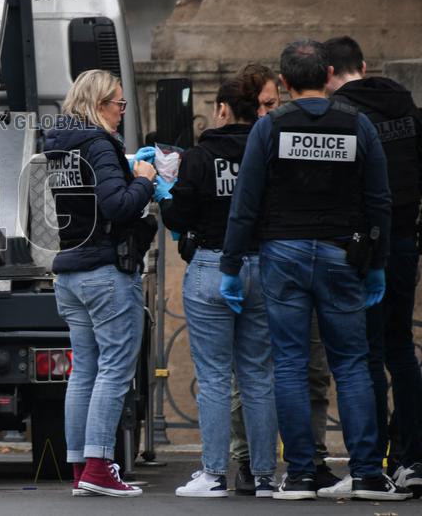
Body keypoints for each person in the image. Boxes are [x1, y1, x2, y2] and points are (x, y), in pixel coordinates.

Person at [221, 39, 409, 501]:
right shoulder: (358, 125)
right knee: (351, 363)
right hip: (340, 255)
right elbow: (378, 200)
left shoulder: (271, 129)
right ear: (328, 75)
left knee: (288, 363)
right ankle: (367, 473)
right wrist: (378, 264)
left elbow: (245, 203)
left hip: (282, 254)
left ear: (283, 83)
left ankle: (302, 474)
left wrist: (230, 264)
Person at [158, 70, 278, 498]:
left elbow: (177, 216)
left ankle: (213, 474)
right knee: (258, 376)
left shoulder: (199, 156)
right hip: (262, 265)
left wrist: (164, 190)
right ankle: (264, 476)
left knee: (212, 376)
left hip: (211, 264)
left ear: (223, 110)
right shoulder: (268, 150)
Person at [43, 69, 156, 497]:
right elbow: (117, 205)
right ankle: (99, 466)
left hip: (70, 271)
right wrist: (144, 181)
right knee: (113, 370)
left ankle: (81, 469)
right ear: (98, 103)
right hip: (105, 273)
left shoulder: (59, 145)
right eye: (118, 104)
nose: (121, 113)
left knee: (83, 371)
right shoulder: (98, 143)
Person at [229, 64, 338, 493]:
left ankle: (310, 457)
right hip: (259, 264)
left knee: (310, 368)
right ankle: (248, 460)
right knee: (253, 373)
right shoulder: (246, 142)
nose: (267, 113)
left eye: (272, 103)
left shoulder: (285, 136)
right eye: (261, 106)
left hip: (286, 261)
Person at [324, 35, 422, 497]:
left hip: (357, 249)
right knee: (401, 347)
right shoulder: (408, 110)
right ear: (364, 64)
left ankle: (372, 462)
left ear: (328, 73)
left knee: (364, 355)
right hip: (404, 241)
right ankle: (413, 457)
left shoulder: (340, 118)